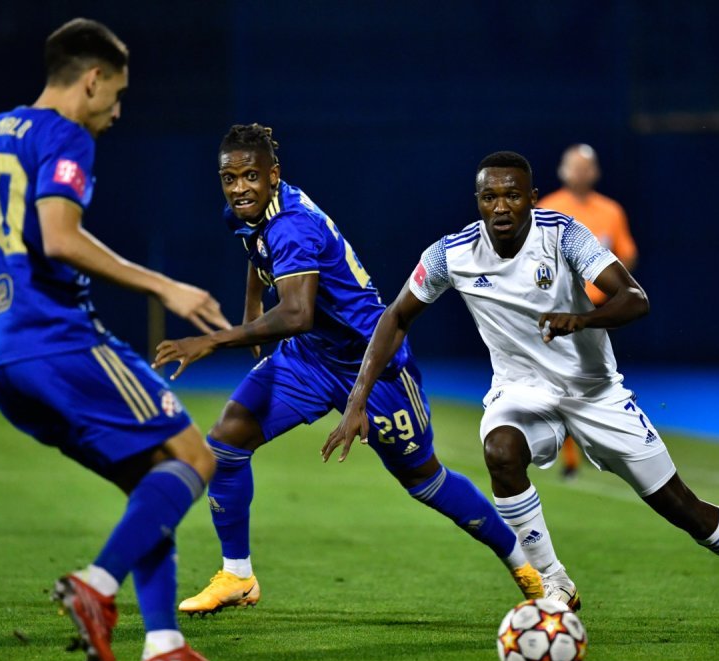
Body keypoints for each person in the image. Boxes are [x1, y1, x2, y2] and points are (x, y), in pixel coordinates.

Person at [324, 151, 719, 639]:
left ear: (533, 198)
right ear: (477, 202)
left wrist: (582, 319)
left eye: (512, 195)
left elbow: (635, 298)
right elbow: (395, 317)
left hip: (594, 392)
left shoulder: (563, 234)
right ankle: (554, 581)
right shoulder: (449, 254)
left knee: (682, 508)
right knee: (500, 450)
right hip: (521, 392)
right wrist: (357, 400)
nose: (501, 206)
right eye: (489, 197)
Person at [0, 19, 228, 661]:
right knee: (195, 456)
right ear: (92, 79)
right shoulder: (64, 134)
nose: (118, 110)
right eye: (118, 93)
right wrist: (164, 287)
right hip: (57, 339)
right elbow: (59, 237)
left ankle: (164, 645)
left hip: (1, 362)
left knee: (152, 481)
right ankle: (97, 585)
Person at [151, 124, 549, 617]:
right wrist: (252, 307)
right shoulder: (250, 210)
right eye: (229, 178)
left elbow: (297, 313)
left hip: (373, 363)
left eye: (250, 176)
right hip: (311, 357)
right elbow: (257, 250)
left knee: (424, 480)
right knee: (227, 441)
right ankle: (238, 575)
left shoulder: (293, 225)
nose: (239, 188)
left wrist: (212, 339)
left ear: (274, 175)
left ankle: (522, 564)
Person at [537, 144, 638, 480]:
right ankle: (569, 458)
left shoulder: (611, 211)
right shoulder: (547, 209)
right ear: (563, 170)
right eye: (574, 166)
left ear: (595, 172)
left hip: (598, 312)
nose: (580, 173)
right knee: (560, 383)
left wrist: (613, 295)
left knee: (603, 381)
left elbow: (627, 255)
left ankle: (613, 445)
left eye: (586, 167)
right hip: (562, 312)